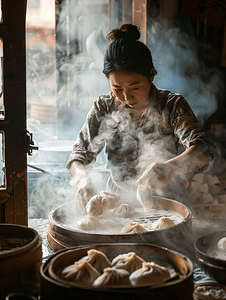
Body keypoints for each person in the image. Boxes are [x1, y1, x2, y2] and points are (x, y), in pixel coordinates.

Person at [66, 23, 216, 214]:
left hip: (169, 201)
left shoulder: (171, 105)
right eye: (117, 89)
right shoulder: (104, 107)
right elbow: (79, 154)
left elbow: (205, 149)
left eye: (135, 87)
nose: (127, 97)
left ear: (151, 74)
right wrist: (82, 180)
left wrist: (170, 168)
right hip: (117, 202)